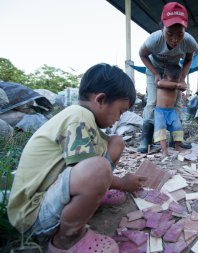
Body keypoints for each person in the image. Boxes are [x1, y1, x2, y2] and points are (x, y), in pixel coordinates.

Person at [7, 63, 147, 252]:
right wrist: (122, 182)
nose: (119, 118)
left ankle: (87, 200)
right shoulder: (77, 116)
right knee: (97, 169)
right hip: (33, 214)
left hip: (52, 197)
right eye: (120, 111)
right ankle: (66, 239)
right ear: (101, 99)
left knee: (116, 142)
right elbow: (91, 170)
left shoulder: (88, 122)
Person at [137, 2, 198, 153]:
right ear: (162, 28)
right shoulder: (154, 39)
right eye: (170, 33)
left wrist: (183, 78)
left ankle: (175, 140)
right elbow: (142, 55)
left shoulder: (189, 42)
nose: (174, 39)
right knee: (152, 102)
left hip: (174, 73)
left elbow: (189, 59)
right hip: (154, 70)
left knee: (176, 103)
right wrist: (156, 74)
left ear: (185, 30)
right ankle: (146, 139)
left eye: (180, 34)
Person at [154, 64, 186, 157]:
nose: (174, 83)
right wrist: (177, 84)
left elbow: (184, 86)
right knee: (160, 129)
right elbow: (160, 83)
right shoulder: (162, 82)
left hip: (171, 111)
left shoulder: (177, 84)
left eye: (176, 81)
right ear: (165, 77)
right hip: (160, 111)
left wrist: (181, 84)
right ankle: (164, 150)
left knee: (178, 127)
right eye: (172, 81)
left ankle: (178, 146)